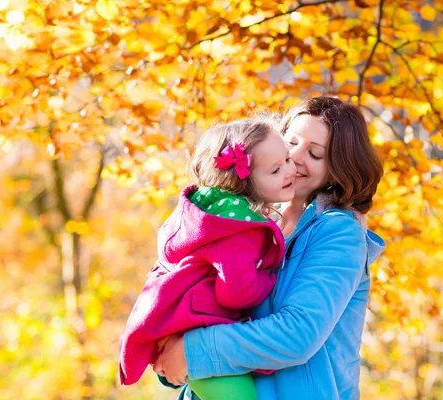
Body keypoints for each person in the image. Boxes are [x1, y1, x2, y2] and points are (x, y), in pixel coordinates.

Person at [153, 96, 386, 400]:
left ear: (337, 170)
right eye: (291, 141)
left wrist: (192, 351)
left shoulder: (338, 233)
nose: (296, 156)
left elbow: (297, 333)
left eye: (315, 154)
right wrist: (170, 346)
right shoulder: (248, 220)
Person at [118, 116, 296, 400]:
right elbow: (237, 293)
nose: (290, 170)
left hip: (182, 324)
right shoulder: (240, 229)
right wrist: (269, 276)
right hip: (196, 332)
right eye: (275, 170)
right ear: (244, 183)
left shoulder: (208, 214)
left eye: (287, 159)